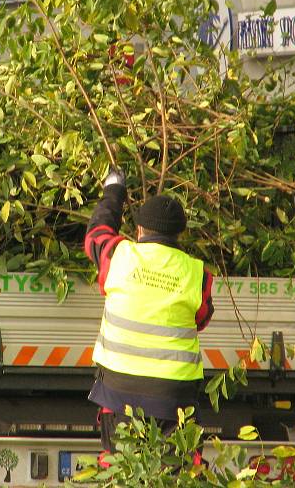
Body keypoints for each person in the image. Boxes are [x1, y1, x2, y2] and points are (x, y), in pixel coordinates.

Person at [84, 166, 214, 454]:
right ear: (180, 233)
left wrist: (114, 191)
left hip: (119, 393)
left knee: (122, 468)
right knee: (176, 471)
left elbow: (96, 233)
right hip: (174, 398)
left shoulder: (118, 256)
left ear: (139, 230)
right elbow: (200, 319)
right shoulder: (198, 274)